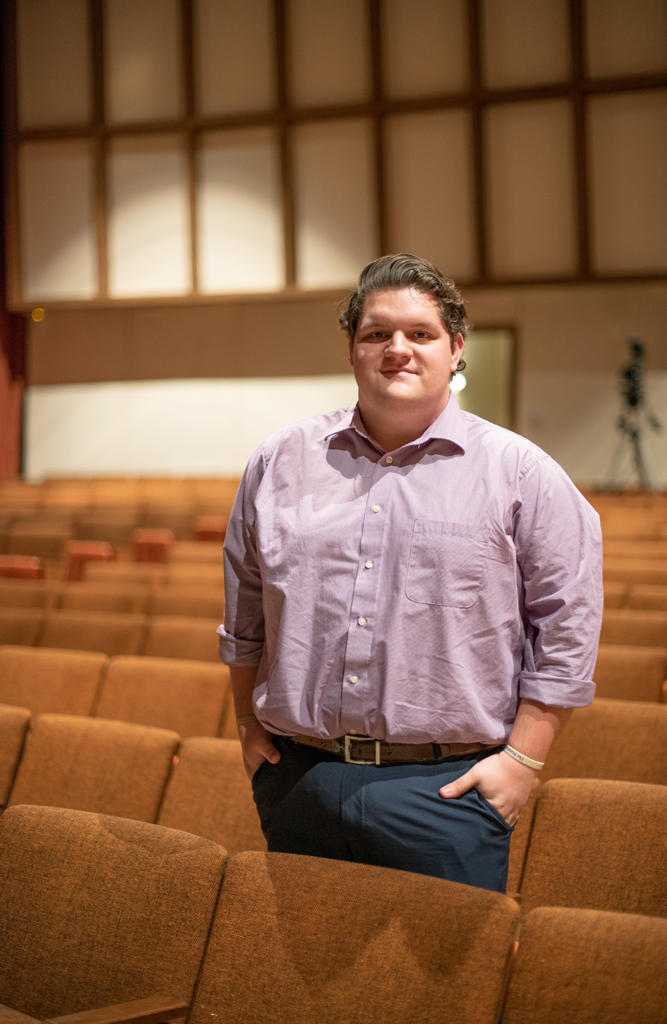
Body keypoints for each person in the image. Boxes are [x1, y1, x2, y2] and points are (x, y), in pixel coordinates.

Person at [219, 253, 602, 894]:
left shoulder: (522, 472)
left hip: (446, 792)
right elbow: (245, 612)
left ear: (455, 350)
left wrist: (522, 760)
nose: (398, 348)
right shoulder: (279, 461)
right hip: (299, 779)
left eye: (420, 333)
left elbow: (567, 626)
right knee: (306, 961)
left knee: (444, 966)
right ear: (353, 350)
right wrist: (245, 725)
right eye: (377, 333)